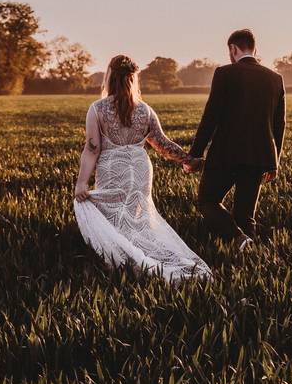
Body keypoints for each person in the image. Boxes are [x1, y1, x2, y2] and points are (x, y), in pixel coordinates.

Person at [73, 54, 210, 282]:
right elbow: (163, 145)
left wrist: (82, 182)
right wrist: (187, 159)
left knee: (114, 217)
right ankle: (144, 258)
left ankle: (122, 262)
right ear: (134, 79)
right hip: (139, 167)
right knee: (139, 218)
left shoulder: (97, 109)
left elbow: (92, 149)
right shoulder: (145, 110)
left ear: (109, 77)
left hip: (113, 167)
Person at [186, 29, 286, 250]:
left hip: (226, 154)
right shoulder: (275, 79)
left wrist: (195, 153)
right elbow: (279, 125)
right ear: (254, 48)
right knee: (245, 214)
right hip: (260, 157)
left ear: (233, 49)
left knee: (208, 202)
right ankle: (250, 262)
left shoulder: (225, 73)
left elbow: (210, 117)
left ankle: (238, 238)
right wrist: (274, 162)